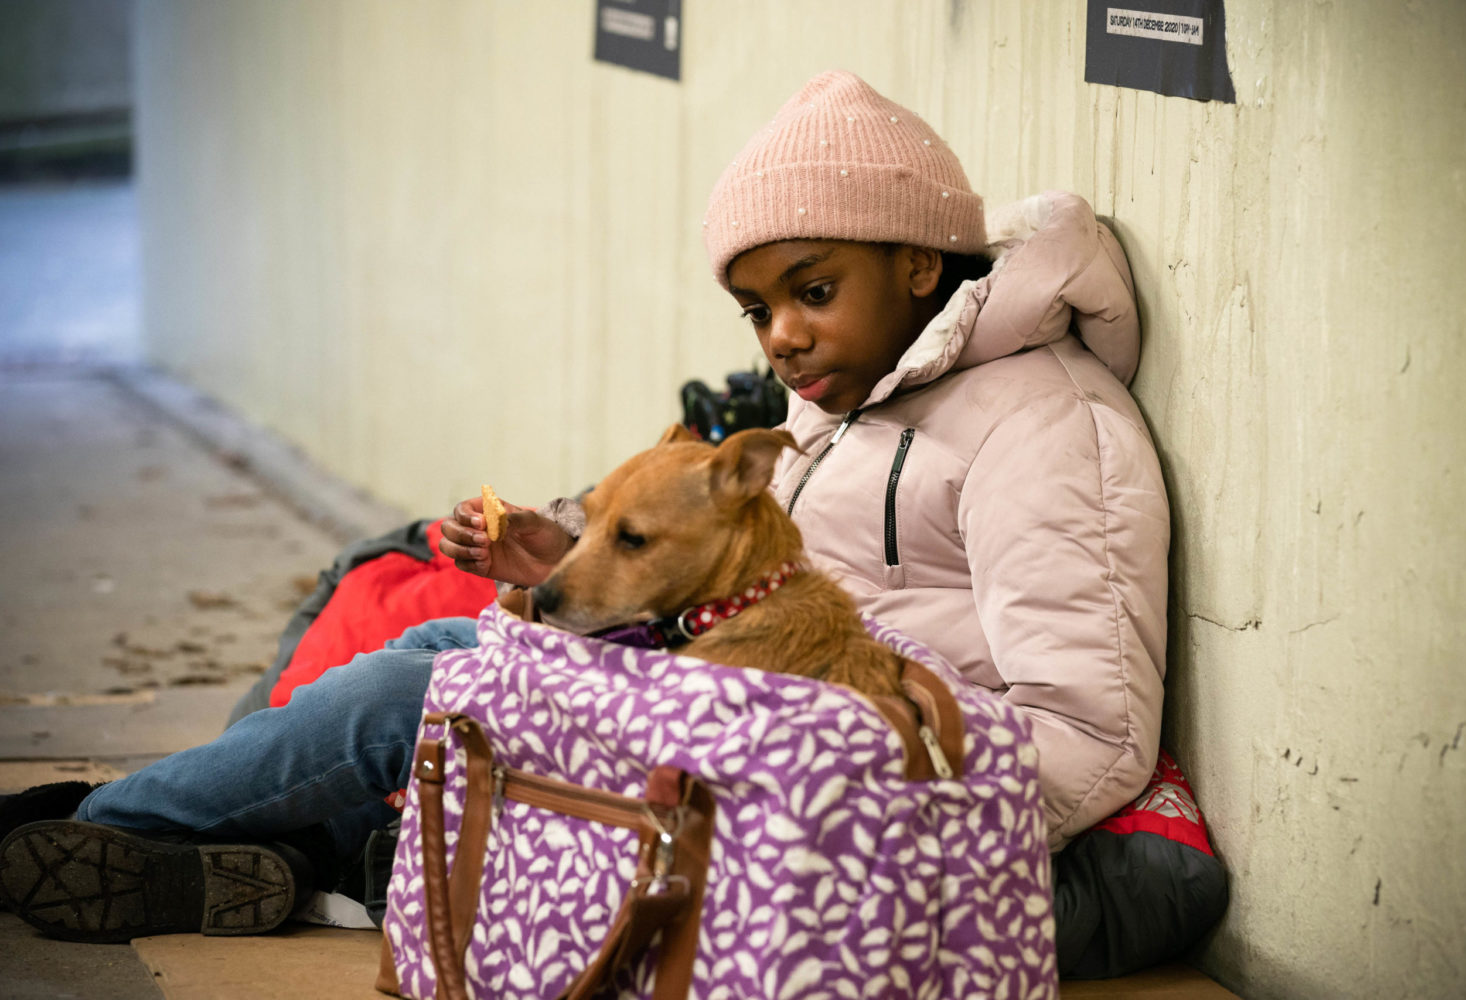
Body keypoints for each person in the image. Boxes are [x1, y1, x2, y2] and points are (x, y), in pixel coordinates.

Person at [0, 71, 1168, 973]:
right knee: (432, 649)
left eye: (813, 292)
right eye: (758, 309)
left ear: (920, 263)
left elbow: (1088, 728)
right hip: (739, 726)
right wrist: (562, 563)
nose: (781, 339)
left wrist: (825, 792)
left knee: (433, 684)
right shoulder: (853, 402)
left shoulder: (1044, 424)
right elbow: (723, 581)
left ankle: (95, 830)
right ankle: (193, 846)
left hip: (826, 790)